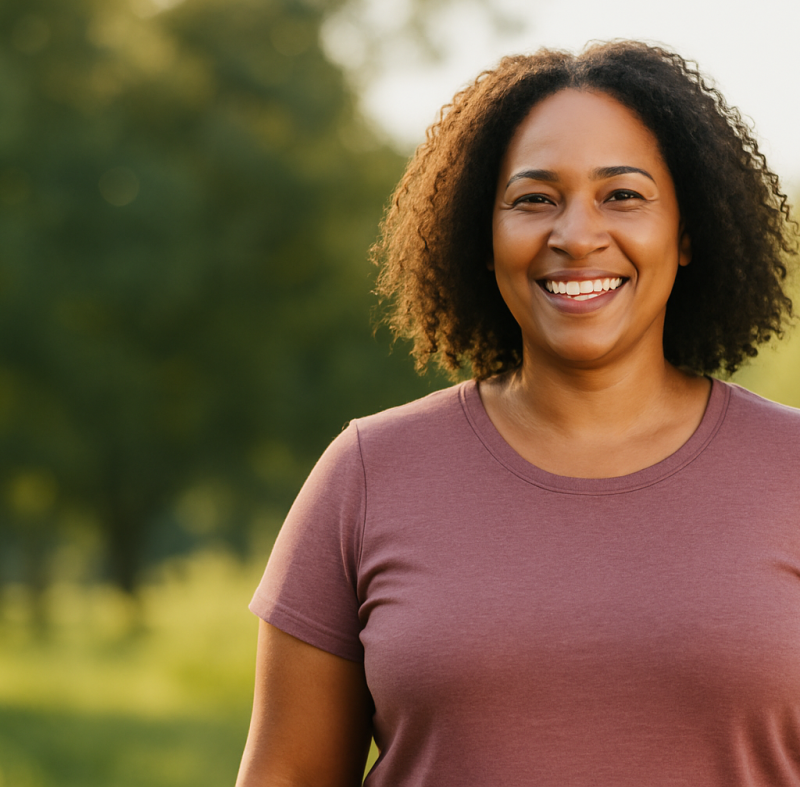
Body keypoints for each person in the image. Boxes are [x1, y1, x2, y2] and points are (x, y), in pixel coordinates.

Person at [236, 40, 800, 786]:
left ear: (687, 232)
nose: (575, 235)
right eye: (535, 199)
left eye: (622, 195)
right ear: (487, 231)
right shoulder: (369, 473)